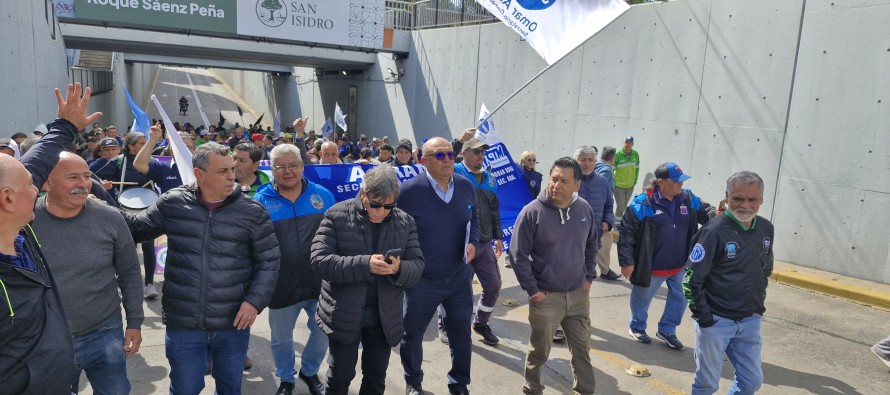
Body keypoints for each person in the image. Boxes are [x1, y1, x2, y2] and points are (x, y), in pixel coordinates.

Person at [124, 142, 280, 394]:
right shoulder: (173, 203)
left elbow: (269, 262)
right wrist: (95, 201)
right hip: (184, 322)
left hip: (233, 324)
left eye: (232, 168)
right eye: (223, 171)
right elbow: (134, 229)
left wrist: (254, 301)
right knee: (185, 388)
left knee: (229, 388)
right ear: (199, 174)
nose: (232, 176)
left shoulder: (252, 211)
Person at [1, 82, 99, 394]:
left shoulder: (17, 228)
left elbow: (36, 164)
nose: (40, 188)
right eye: (32, 185)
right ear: (7, 199)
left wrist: (66, 126)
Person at [33, 152, 144, 394]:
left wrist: (135, 322)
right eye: (72, 177)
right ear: (46, 183)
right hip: (48, 340)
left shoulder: (110, 217)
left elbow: (130, 272)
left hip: (105, 332)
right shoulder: (27, 222)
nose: (83, 184)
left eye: (86, 176)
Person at [311, 164, 425, 395]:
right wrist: (365, 264)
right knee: (340, 376)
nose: (381, 211)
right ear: (363, 193)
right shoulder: (336, 215)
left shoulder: (405, 222)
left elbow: (418, 265)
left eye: (388, 206)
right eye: (375, 204)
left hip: (383, 317)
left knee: (375, 378)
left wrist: (399, 268)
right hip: (344, 312)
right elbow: (319, 261)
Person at [398, 137, 480, 395]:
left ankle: (459, 384)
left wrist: (474, 243)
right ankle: (414, 382)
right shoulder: (408, 192)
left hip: (458, 279)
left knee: (461, 335)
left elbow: (475, 220)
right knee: (412, 336)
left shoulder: (467, 186)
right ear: (424, 161)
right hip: (421, 282)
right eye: (440, 155)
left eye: (450, 154)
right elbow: (396, 232)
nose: (448, 159)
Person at [510, 157, 598, 395]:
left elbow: (592, 244)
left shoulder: (584, 209)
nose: (556, 185)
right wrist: (534, 292)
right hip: (546, 297)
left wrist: (589, 277)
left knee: (582, 349)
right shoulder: (532, 212)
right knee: (539, 351)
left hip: (579, 295)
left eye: (564, 181)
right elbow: (518, 255)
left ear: (577, 185)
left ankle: (585, 391)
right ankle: (533, 389)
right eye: (554, 179)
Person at [254, 144, 336, 395]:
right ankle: (286, 378)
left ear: (302, 166)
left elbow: (337, 234)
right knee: (281, 338)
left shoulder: (323, 195)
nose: (287, 171)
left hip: (320, 283)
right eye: (280, 166)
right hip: (281, 284)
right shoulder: (260, 201)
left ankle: (309, 371)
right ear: (272, 169)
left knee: (323, 333)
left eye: (293, 165)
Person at [684, 171, 773, 394]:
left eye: (752, 199)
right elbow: (691, 280)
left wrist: (757, 307)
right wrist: (706, 319)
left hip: (749, 322)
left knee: (751, 382)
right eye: (738, 198)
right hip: (716, 322)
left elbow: (765, 270)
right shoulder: (713, 232)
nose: (745, 205)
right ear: (727, 197)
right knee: (707, 385)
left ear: (761, 200)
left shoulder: (766, 228)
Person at [618, 162, 716, 350]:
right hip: (652, 265)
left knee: (680, 298)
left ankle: (667, 329)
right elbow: (627, 233)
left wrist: (716, 214)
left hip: (681, 264)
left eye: (681, 181)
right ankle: (637, 326)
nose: (680, 184)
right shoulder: (642, 203)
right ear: (661, 183)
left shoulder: (687, 198)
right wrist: (627, 261)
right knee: (642, 297)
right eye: (676, 181)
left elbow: (706, 212)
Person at [94, 131, 162, 299]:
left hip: (148, 209)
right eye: (140, 143)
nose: (144, 146)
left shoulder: (152, 163)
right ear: (130, 146)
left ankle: (149, 284)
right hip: (125, 210)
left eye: (146, 143)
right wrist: (104, 185)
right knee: (125, 249)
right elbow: (94, 176)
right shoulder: (119, 162)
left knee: (148, 247)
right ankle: (127, 284)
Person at [453, 136, 504, 345]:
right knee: (457, 288)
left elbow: (494, 211)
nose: (480, 156)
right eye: (475, 152)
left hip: (483, 244)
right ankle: (447, 325)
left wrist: (499, 237)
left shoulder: (490, 180)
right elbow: (440, 157)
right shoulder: (454, 172)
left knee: (493, 284)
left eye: (482, 152)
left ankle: (481, 323)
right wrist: (458, 141)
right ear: (464, 154)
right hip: (459, 243)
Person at [575, 146, 618, 281]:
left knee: (588, 274)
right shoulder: (568, 181)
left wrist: (607, 221)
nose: (587, 163)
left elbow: (609, 206)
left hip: (596, 234)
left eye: (590, 160)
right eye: (583, 160)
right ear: (576, 161)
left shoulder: (603, 182)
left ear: (595, 161)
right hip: (573, 236)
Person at [595, 146, 620, 280]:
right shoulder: (606, 170)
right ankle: (604, 270)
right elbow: (600, 189)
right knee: (606, 239)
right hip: (601, 210)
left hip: (594, 210)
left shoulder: (596, 166)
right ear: (612, 159)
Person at [613, 136, 640, 220]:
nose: (627, 145)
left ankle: (619, 220)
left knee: (624, 206)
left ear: (633, 144)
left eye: (629, 143)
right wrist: (613, 181)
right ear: (623, 143)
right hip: (619, 185)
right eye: (626, 142)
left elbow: (637, 168)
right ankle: (617, 223)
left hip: (630, 185)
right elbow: (612, 169)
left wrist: (635, 180)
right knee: (621, 205)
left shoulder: (635, 154)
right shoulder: (617, 154)